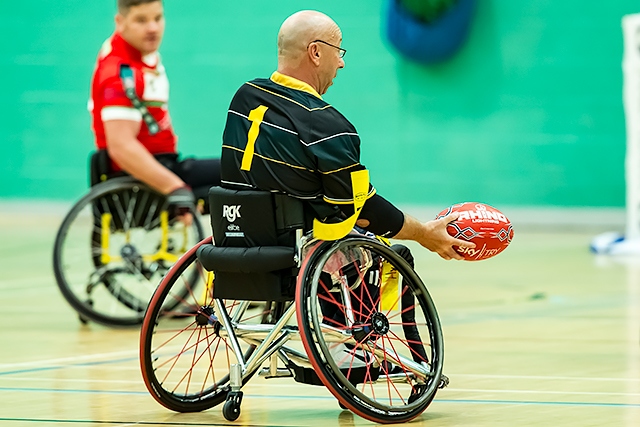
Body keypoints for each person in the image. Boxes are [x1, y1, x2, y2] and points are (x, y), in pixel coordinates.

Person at [220, 10, 474, 261]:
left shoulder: (244, 97)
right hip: (297, 249)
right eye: (338, 51)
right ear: (316, 53)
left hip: (236, 240)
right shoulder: (326, 125)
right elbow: (362, 208)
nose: (341, 63)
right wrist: (424, 233)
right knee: (395, 257)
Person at [89, 0, 220, 215]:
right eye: (141, 20)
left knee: (240, 167)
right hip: (148, 175)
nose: (153, 28)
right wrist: (175, 187)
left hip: (166, 161)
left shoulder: (136, 55)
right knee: (243, 170)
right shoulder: (119, 75)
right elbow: (121, 146)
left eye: (158, 18)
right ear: (120, 22)